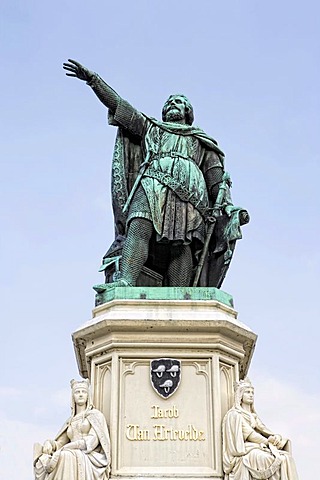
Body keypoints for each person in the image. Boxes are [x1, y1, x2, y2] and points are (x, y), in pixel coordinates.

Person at [63, 59, 249, 288]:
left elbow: (215, 178)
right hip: (152, 183)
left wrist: (228, 206)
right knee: (138, 225)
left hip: (191, 195)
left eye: (179, 102)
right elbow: (120, 106)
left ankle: (180, 293)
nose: (173, 103)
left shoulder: (201, 141)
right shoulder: (151, 128)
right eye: (170, 101)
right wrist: (94, 81)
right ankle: (126, 281)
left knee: (182, 243)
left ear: (187, 112)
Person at [222, 378, 299, 480]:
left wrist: (276, 437)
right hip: (245, 450)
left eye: (252, 393)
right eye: (247, 392)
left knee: (286, 458)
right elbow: (250, 434)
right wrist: (267, 442)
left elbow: (263, 429)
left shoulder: (252, 415)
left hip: (256, 447)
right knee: (273, 459)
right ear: (240, 395)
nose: (251, 395)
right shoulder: (235, 414)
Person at [34, 379, 110, 480]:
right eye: (77, 392)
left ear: (88, 396)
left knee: (65, 455)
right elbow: (60, 443)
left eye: (84, 392)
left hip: (88, 455)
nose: (81, 395)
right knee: (44, 459)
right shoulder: (70, 421)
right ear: (73, 397)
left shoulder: (95, 415)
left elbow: (91, 442)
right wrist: (50, 443)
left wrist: (68, 447)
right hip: (71, 452)